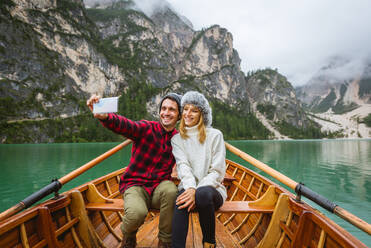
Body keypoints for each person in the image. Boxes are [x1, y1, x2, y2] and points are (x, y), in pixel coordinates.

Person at [87, 93, 182, 248]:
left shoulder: (179, 139)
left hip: (160, 187)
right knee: (136, 214)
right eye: (163, 108)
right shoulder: (146, 128)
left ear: (178, 115)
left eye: (172, 109)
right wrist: (105, 117)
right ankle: (128, 235)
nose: (166, 112)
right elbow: (125, 125)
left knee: (172, 190)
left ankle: (165, 242)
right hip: (135, 185)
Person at [170, 91, 227, 248]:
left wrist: (196, 190)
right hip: (189, 187)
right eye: (186, 109)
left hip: (213, 190)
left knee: (202, 194)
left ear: (202, 114)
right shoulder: (176, 139)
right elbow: (183, 167)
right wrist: (191, 188)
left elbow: (217, 171)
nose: (188, 114)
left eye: (194, 110)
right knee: (180, 200)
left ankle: (209, 242)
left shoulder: (215, 135)